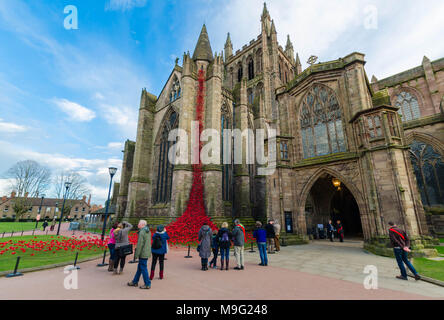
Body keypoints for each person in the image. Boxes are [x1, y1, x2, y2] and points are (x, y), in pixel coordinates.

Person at [127, 220, 151, 289]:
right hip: (146, 251)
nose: (138, 224)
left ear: (142, 224)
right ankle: (135, 281)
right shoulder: (147, 231)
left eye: (139, 223)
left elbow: (140, 244)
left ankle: (147, 284)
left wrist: (136, 255)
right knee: (140, 268)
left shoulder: (142, 232)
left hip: (143, 253)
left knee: (143, 268)